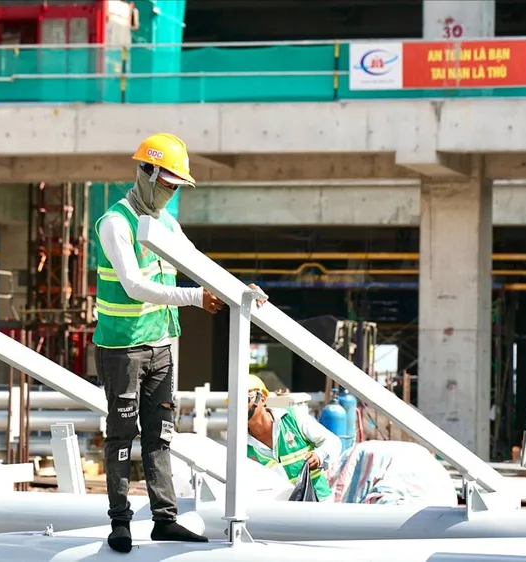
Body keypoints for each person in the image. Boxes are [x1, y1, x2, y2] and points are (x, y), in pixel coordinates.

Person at [94, 132, 254, 553]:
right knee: (121, 435)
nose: (169, 192)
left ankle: (164, 519)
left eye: (175, 186)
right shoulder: (115, 222)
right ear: (145, 173)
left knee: (160, 435)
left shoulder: (166, 223)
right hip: (123, 347)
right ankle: (120, 522)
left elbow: (196, 263)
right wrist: (194, 298)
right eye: (165, 183)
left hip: (162, 344)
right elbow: (133, 285)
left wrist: (240, 291)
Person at [244, 375, 341, 502]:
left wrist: (319, 455)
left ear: (262, 398)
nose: (240, 406)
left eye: (245, 399)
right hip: (282, 512)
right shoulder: (241, 444)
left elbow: (333, 442)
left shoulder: (292, 418)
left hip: (318, 501)